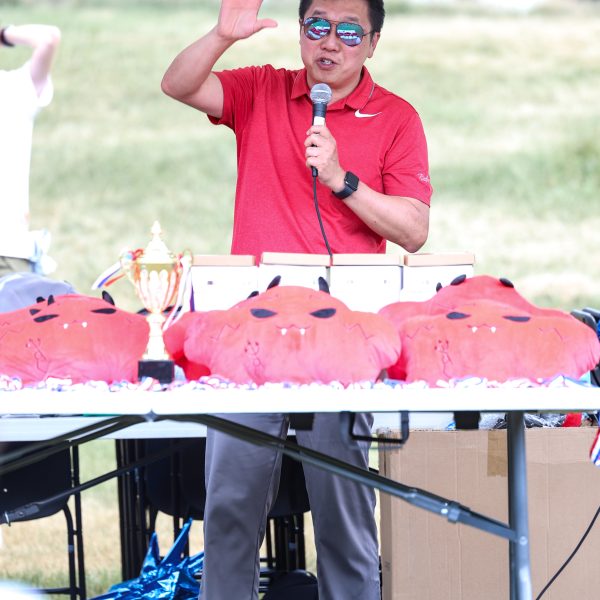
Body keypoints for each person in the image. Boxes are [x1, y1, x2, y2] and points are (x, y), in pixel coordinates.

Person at [161, 1, 432, 598]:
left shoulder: (396, 118)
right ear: (302, 32)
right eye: (317, 27)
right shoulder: (262, 89)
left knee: (345, 515)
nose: (329, 42)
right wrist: (222, 36)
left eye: (348, 31)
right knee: (229, 510)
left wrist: (341, 179)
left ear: (373, 42)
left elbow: (414, 230)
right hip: (251, 335)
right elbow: (177, 84)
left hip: (342, 340)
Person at [0, 22, 61, 278]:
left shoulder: (12, 88)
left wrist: (3, 33)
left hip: (7, 248)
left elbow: (49, 38)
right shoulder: (13, 89)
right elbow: (48, 38)